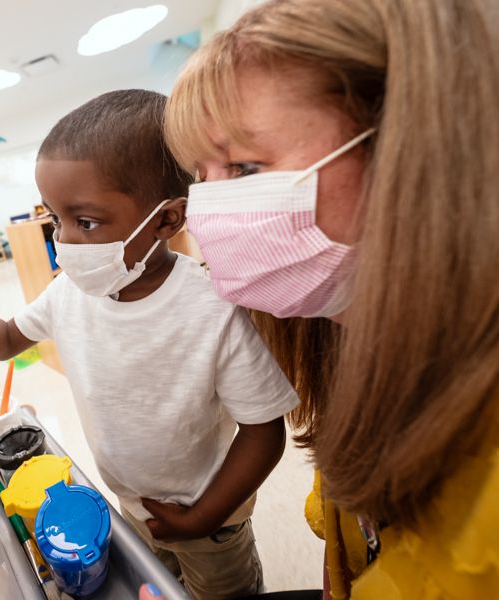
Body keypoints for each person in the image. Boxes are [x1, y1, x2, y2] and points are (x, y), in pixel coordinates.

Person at [0, 89, 299, 599]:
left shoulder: (213, 307)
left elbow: (264, 430)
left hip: (212, 516)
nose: (63, 241)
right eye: (55, 219)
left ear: (167, 221)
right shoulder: (69, 292)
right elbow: (3, 341)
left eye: (85, 222)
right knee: (156, 585)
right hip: (130, 502)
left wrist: (203, 517)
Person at [164, 0, 498, 597]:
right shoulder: (344, 344)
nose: (206, 208)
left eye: (243, 166)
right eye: (199, 173)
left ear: (405, 147)